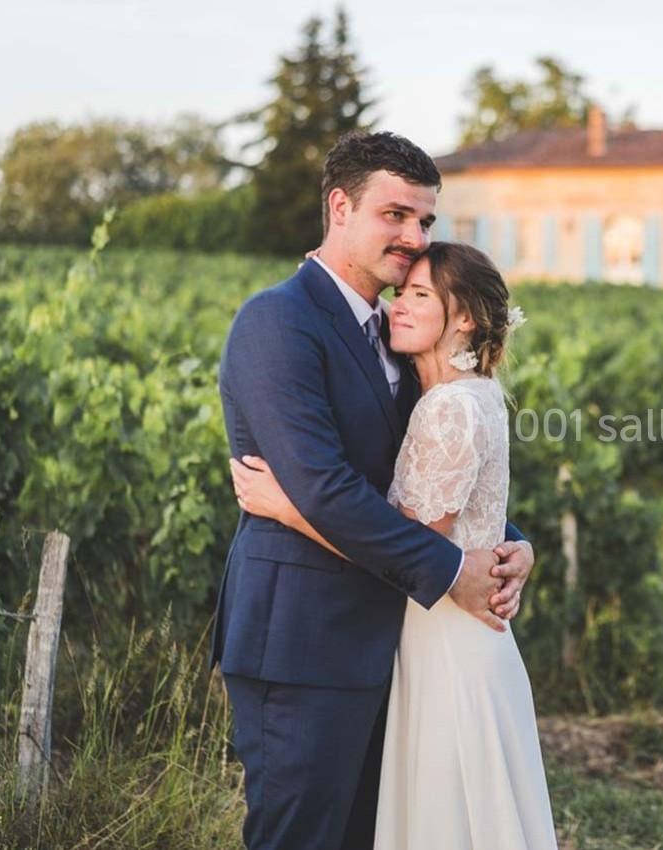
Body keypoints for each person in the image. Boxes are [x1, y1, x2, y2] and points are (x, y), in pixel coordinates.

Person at [212, 130, 535, 850]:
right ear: (339, 207)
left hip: (390, 642)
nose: (414, 236)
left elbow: (433, 472)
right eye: (396, 215)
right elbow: (325, 488)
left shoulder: (396, 333)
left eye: (426, 221)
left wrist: (511, 544)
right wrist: (455, 570)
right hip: (303, 644)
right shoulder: (277, 322)